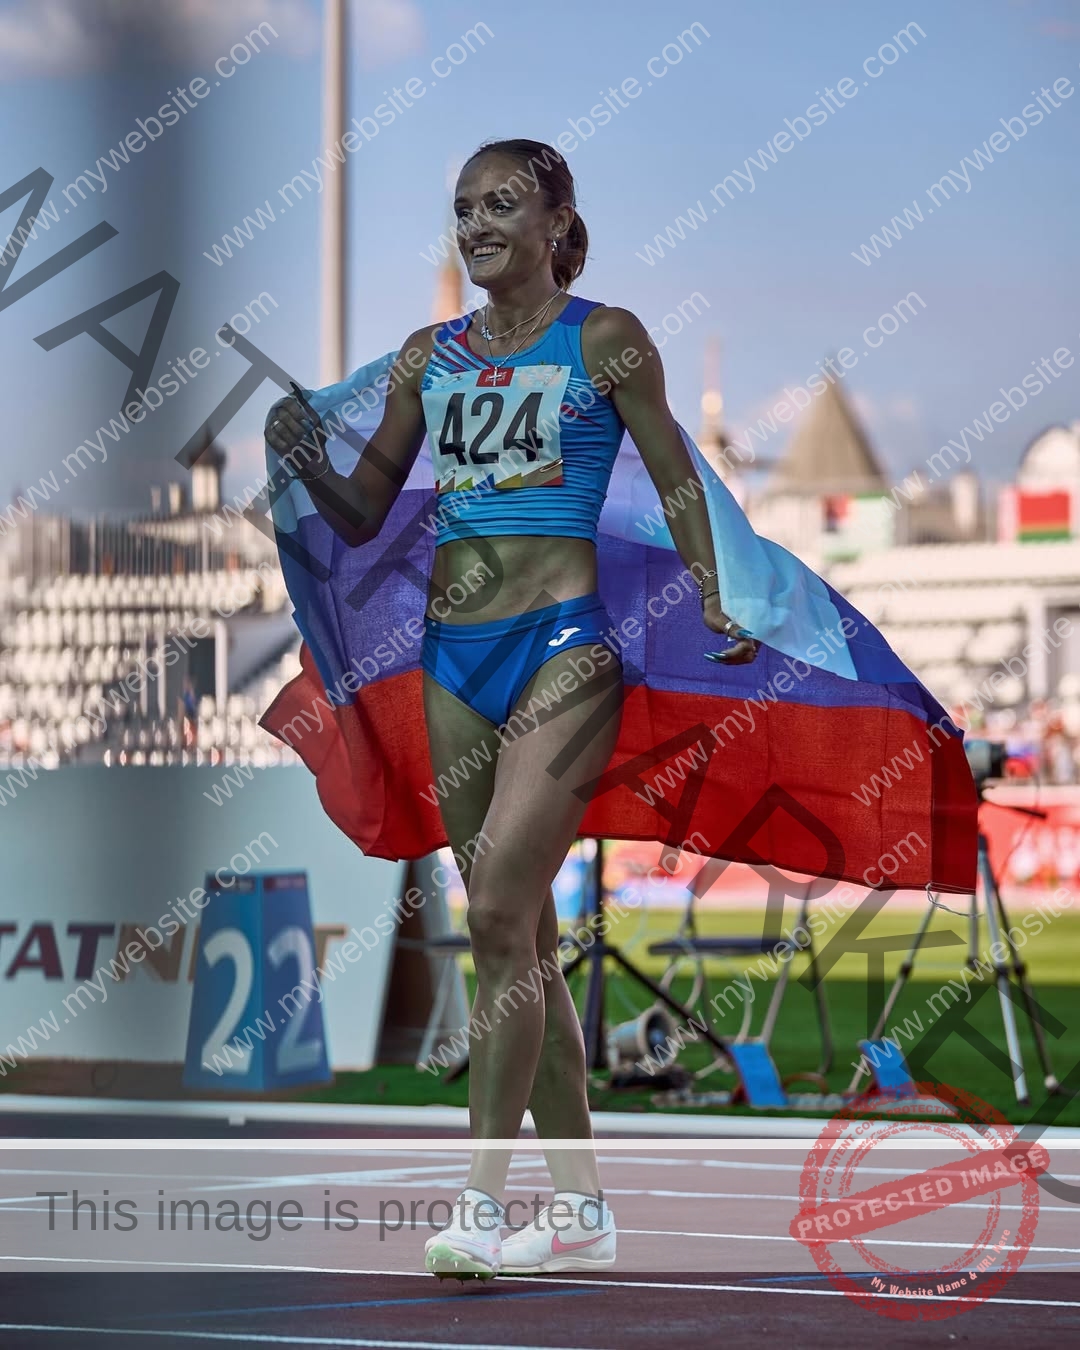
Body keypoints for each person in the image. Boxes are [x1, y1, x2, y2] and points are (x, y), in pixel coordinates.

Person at [264, 137, 759, 1280]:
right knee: (519, 934)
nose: (477, 225)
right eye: (461, 210)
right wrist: (302, 454)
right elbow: (363, 509)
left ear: (556, 224)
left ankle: (481, 1204)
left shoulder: (606, 338)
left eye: (501, 205)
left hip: (564, 651)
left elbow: (676, 471)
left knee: (494, 915)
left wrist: (712, 587)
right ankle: (581, 1212)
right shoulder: (423, 357)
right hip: (455, 660)